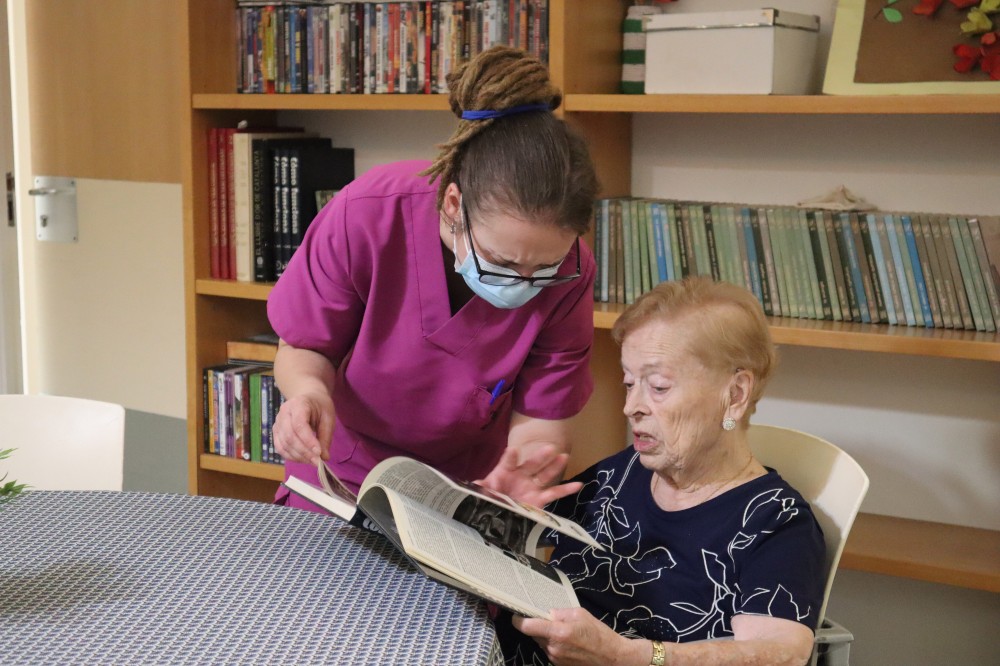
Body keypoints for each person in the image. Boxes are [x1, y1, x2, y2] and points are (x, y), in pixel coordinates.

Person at [266, 45, 599, 511]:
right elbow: (305, 345)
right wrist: (307, 393)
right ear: (452, 205)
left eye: (542, 269)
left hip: (465, 495)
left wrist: (523, 467)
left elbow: (543, 413)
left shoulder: (573, 271)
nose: (522, 283)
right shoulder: (367, 217)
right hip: (341, 476)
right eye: (501, 261)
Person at [498, 277, 826, 666]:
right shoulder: (625, 470)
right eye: (628, 382)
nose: (631, 407)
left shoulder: (775, 522)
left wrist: (624, 656)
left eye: (657, 386)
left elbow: (780, 655)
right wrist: (504, 508)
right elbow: (531, 534)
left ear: (735, 394)